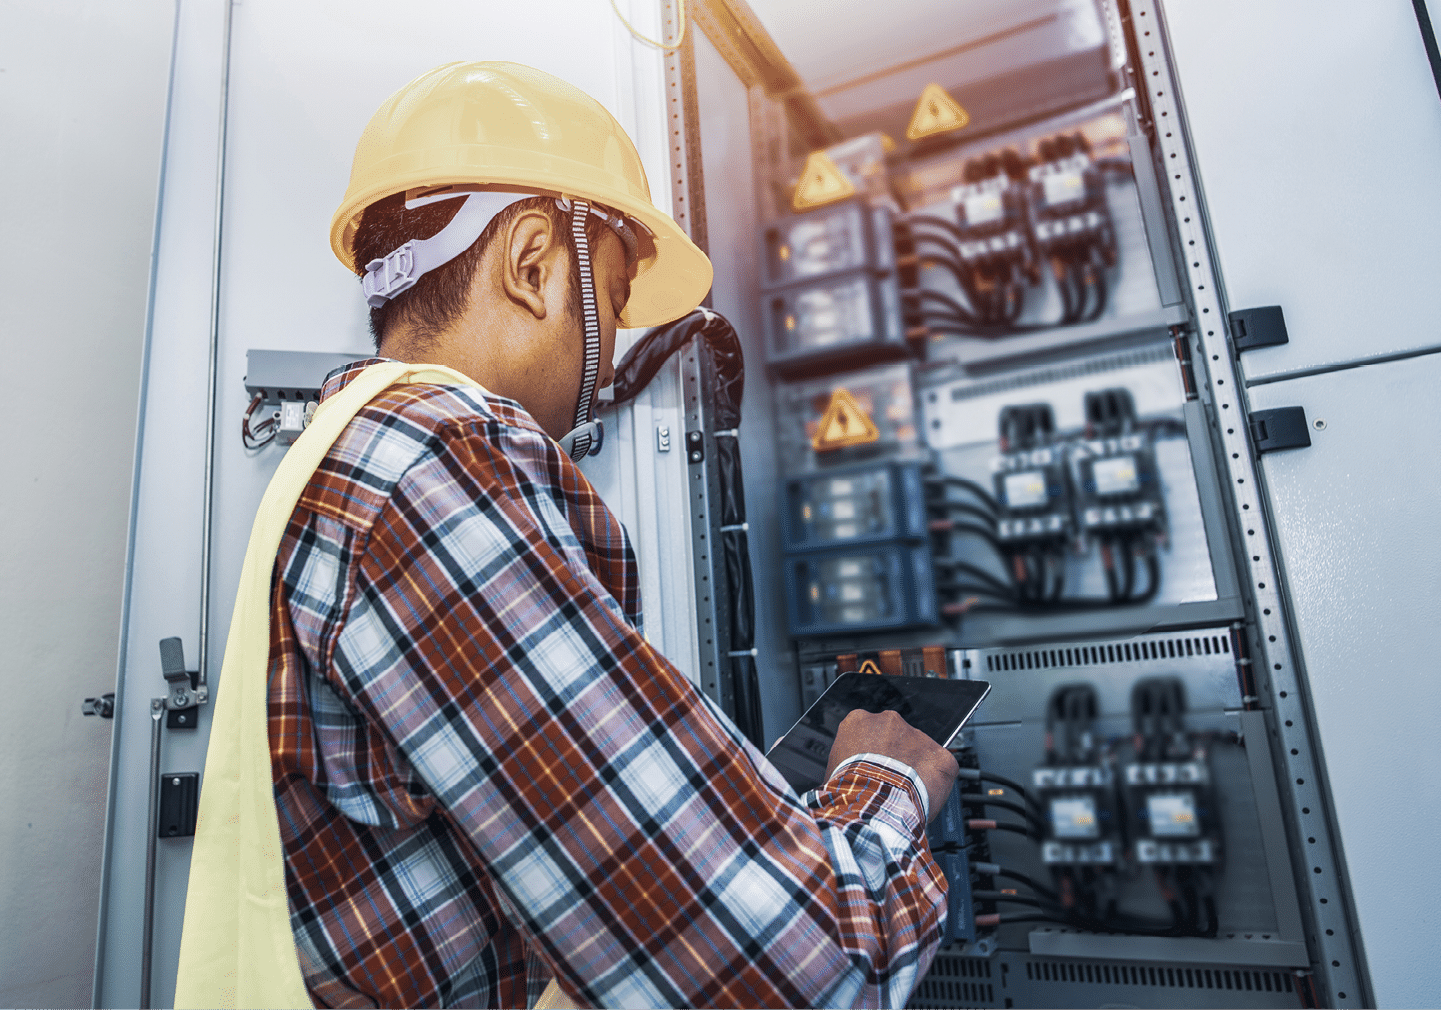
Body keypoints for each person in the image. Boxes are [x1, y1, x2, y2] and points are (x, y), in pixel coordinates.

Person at [192, 61, 957, 1010]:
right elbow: (801, 975)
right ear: (530, 262)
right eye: (615, 282)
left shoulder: (344, 457)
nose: (605, 370)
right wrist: (882, 778)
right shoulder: (435, 461)